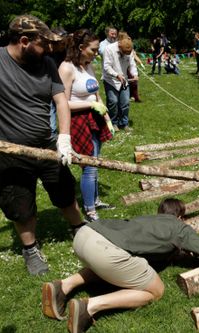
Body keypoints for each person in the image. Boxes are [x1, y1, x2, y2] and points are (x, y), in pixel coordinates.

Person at [41, 198, 199, 333]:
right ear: (181, 217)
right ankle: (89, 307)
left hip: (85, 235)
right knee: (155, 291)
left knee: (112, 262)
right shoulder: (179, 227)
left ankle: (63, 286)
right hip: (105, 251)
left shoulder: (146, 218)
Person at [0, 15, 85, 275]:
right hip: (11, 152)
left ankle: (80, 232)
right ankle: (30, 249)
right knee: (20, 204)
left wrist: (64, 138)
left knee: (65, 192)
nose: (49, 49)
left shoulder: (47, 63)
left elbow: (60, 101)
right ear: (24, 41)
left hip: (48, 146)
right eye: (43, 44)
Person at [58, 29, 115, 223]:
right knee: (89, 167)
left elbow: (95, 92)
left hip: (95, 118)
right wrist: (91, 105)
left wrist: (106, 116)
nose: (96, 53)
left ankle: (95, 200)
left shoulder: (87, 65)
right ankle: (90, 211)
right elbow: (62, 103)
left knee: (95, 163)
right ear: (81, 48)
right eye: (93, 49)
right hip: (79, 121)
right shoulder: (66, 68)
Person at [102, 32, 138, 132]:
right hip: (110, 80)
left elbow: (132, 64)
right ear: (119, 46)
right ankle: (113, 123)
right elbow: (107, 67)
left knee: (125, 102)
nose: (126, 54)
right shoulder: (109, 49)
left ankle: (124, 123)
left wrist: (135, 74)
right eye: (124, 53)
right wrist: (116, 75)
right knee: (113, 102)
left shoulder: (129, 50)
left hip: (124, 80)